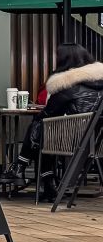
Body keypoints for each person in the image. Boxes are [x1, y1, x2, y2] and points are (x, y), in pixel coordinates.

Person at [18, 43, 103, 173]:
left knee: (41, 126)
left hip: (71, 141)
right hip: (98, 140)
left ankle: (21, 167)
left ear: (64, 60)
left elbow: (48, 114)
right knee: (44, 129)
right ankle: (31, 173)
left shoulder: (66, 84)